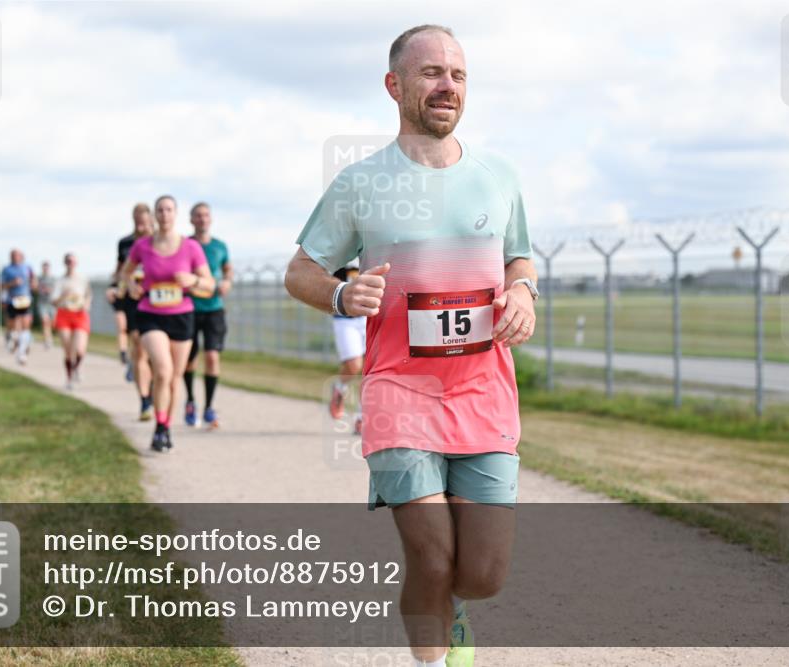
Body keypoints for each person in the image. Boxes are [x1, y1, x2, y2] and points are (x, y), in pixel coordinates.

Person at [284, 25, 538, 667]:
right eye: (430, 73)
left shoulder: (498, 176)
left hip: (484, 393)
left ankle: (453, 609)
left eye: (457, 74)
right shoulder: (362, 183)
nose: (447, 85)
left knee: (481, 574)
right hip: (401, 393)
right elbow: (301, 270)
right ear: (395, 85)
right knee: (431, 554)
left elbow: (519, 260)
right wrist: (343, 295)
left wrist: (525, 294)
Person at [120, 195, 214, 452]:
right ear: (154, 215)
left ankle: (164, 425)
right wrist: (131, 285)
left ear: (175, 214)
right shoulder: (142, 246)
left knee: (173, 378)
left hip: (182, 315)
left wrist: (192, 280)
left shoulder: (190, 248)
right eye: (159, 210)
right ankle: (160, 426)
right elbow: (126, 273)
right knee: (162, 370)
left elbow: (209, 284)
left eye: (169, 210)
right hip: (150, 313)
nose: (164, 214)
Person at [183, 202, 233, 429]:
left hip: (214, 307)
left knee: (212, 357)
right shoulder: (186, 245)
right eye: (198, 216)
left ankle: (209, 407)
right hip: (189, 308)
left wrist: (226, 282)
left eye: (205, 215)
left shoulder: (219, 246)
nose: (202, 219)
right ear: (191, 220)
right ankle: (191, 401)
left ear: (210, 219)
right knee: (189, 359)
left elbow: (227, 269)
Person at [112, 204, 155, 419]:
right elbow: (120, 271)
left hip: (157, 299)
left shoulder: (160, 242)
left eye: (144, 219)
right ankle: (145, 400)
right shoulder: (125, 243)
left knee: (155, 353)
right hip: (133, 300)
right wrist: (115, 287)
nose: (141, 223)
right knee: (139, 347)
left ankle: (155, 383)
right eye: (137, 218)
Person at [329, 264, 366, 435]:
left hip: (370, 315)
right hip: (345, 318)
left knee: (371, 371)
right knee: (353, 365)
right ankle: (339, 388)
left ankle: (362, 418)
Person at [52, 253, 92, 390]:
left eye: (73, 261)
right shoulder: (60, 281)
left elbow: (88, 295)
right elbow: (54, 301)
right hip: (64, 313)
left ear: (76, 263)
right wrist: (63, 296)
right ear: (65, 263)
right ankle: (69, 379)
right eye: (68, 261)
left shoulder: (82, 279)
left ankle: (76, 368)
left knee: (80, 349)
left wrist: (86, 304)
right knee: (68, 350)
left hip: (80, 313)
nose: (70, 263)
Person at [1, 249, 36, 364]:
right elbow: (2, 285)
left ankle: (21, 353)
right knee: (14, 326)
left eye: (17, 255)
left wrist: (34, 284)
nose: (15, 257)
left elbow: (34, 281)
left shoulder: (27, 268)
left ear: (21, 256)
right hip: (12, 300)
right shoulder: (7, 269)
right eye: (13, 255)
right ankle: (12, 339)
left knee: (25, 324)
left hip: (25, 299)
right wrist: (12, 283)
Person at [36, 260, 57, 349]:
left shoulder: (53, 279)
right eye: (44, 267)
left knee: (52, 323)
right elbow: (36, 288)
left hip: (52, 303)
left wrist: (50, 290)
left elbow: (57, 290)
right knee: (45, 321)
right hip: (42, 303)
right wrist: (40, 289)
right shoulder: (39, 278)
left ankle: (50, 336)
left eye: (47, 267)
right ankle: (47, 340)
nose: (45, 269)